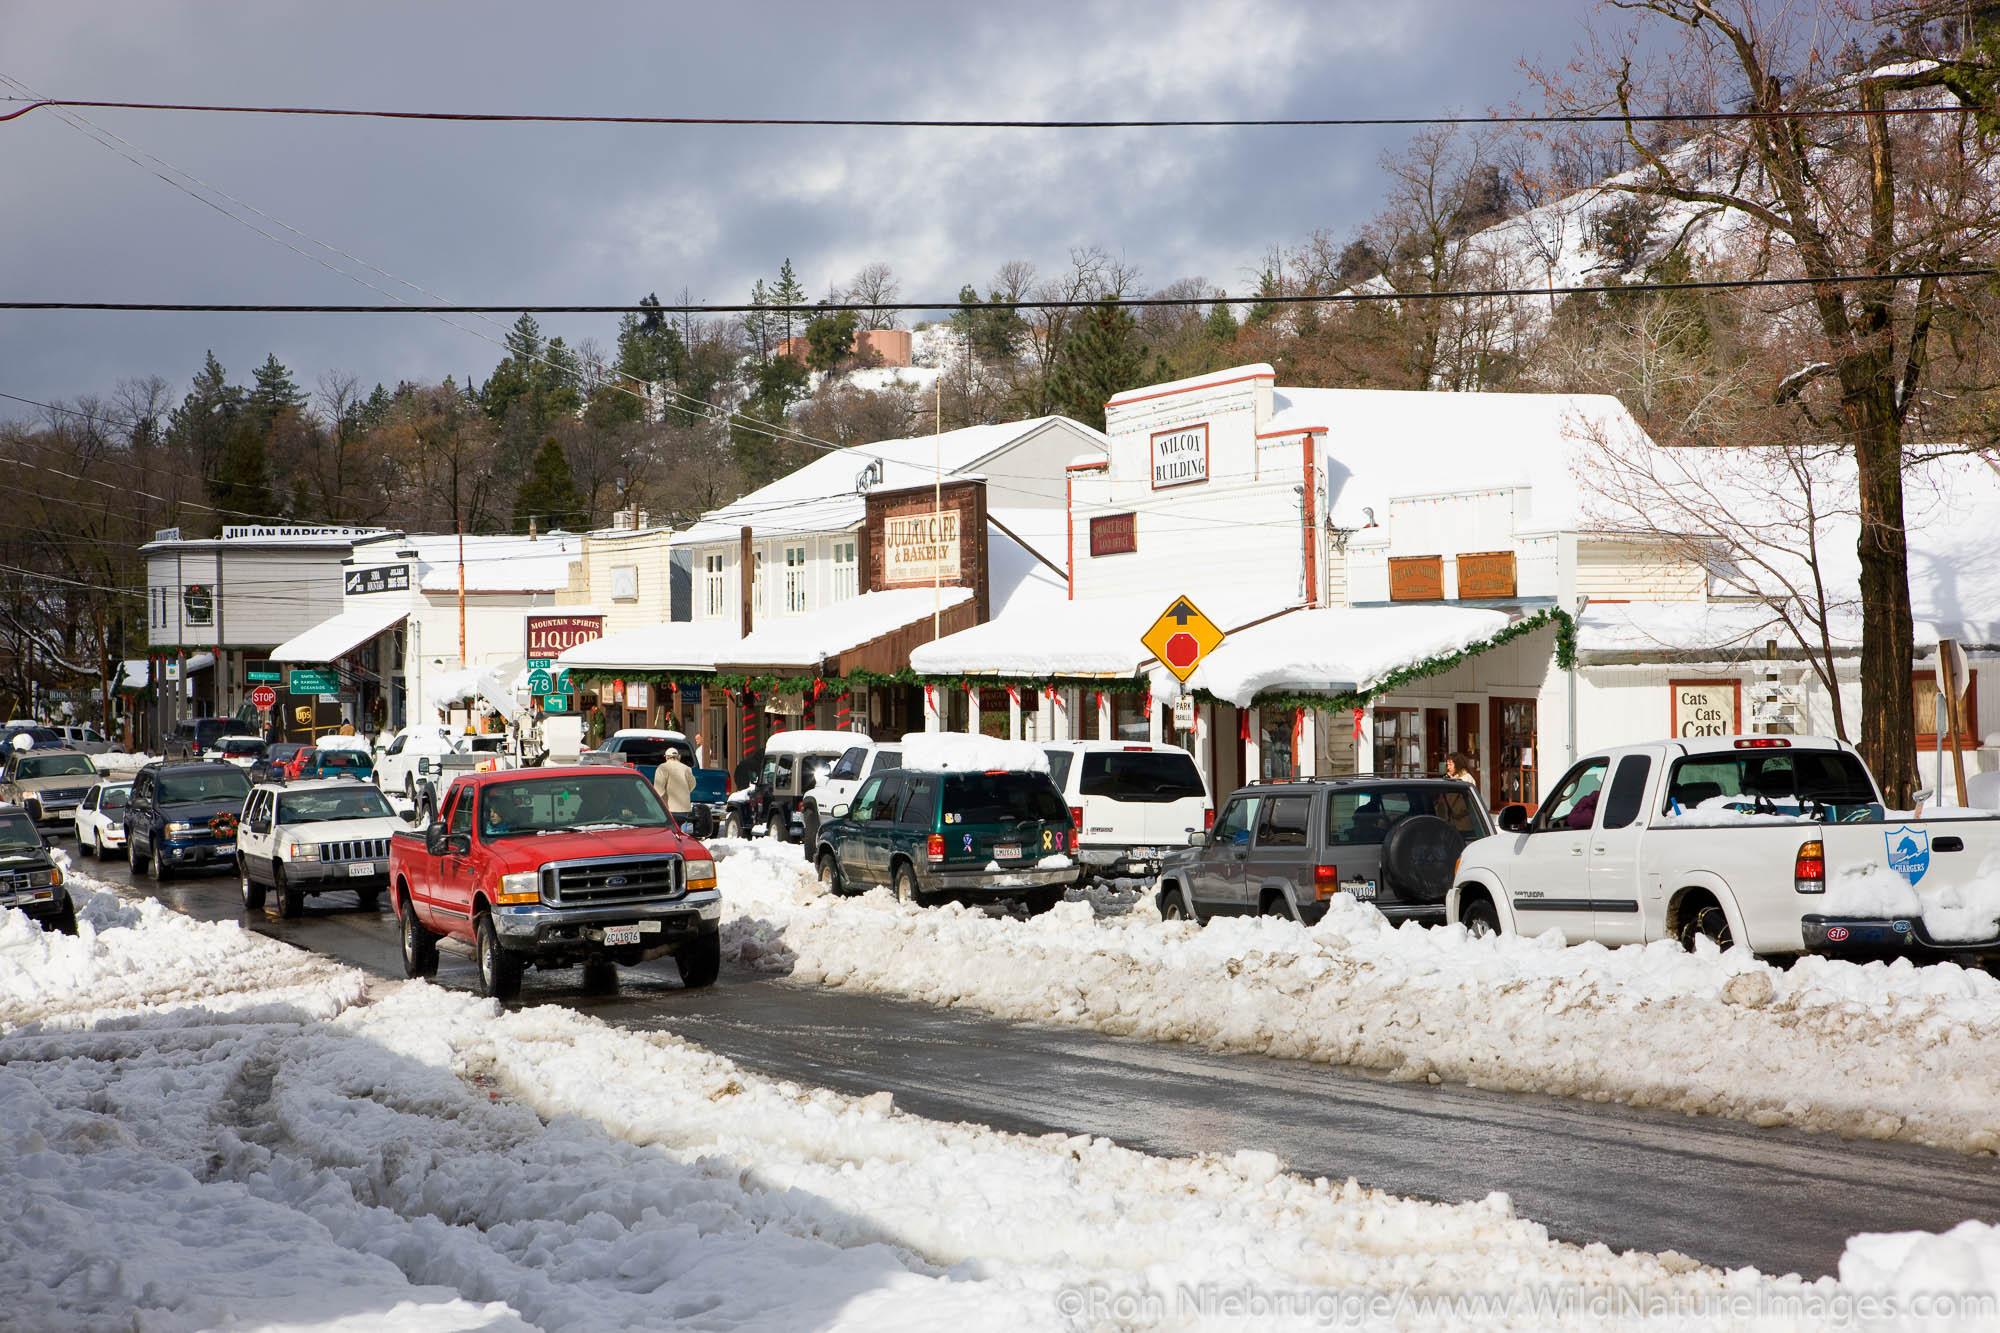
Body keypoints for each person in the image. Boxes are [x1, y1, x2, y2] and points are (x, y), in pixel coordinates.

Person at [654, 747, 695, 830]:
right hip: (683, 807)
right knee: (682, 834)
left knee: (670, 834)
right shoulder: (686, 768)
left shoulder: (662, 768)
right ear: (678, 757)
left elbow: (659, 788)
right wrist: (685, 793)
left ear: (666, 757)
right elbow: (692, 784)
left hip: (668, 807)